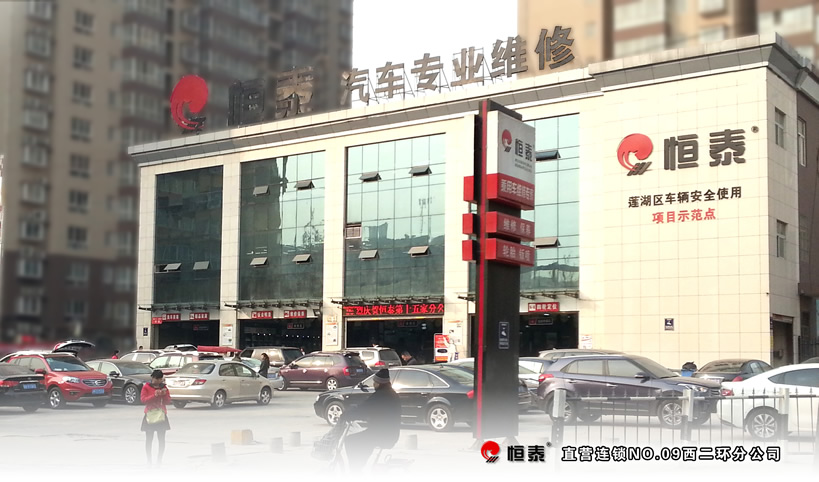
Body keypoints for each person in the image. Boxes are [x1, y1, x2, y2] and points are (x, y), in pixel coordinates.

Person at [340, 368, 400, 469]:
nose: (373, 384)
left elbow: (364, 409)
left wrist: (347, 415)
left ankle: (355, 469)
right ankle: (359, 467)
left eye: (374, 382)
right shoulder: (391, 393)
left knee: (350, 441)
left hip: (382, 434)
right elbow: (371, 410)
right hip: (389, 433)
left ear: (379, 383)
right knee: (366, 442)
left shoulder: (380, 396)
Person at [141, 369, 171, 466]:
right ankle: (149, 460)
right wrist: (154, 395)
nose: (157, 381)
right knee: (149, 439)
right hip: (150, 415)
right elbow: (143, 400)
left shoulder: (164, 388)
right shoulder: (146, 387)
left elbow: (168, 401)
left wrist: (164, 395)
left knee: (161, 439)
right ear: (152, 378)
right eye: (156, 379)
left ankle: (159, 460)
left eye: (159, 379)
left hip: (161, 415)